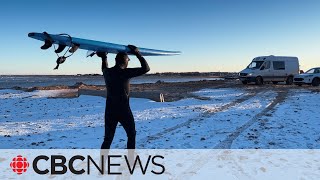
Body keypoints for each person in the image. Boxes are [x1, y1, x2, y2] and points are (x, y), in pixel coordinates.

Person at [97, 45, 150, 149]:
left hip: (110, 110)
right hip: (123, 110)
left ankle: (102, 163)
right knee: (131, 135)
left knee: (108, 139)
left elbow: (104, 67)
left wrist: (104, 57)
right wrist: (137, 53)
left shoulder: (107, 73)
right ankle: (130, 161)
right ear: (125, 60)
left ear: (116, 60)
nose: (128, 62)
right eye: (128, 60)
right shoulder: (125, 72)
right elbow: (146, 68)